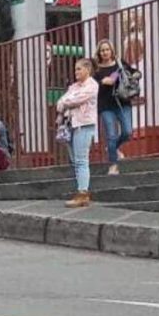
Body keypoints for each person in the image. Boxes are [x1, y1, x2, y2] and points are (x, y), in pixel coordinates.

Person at [57, 58, 100, 207]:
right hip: (71, 125)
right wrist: (66, 101)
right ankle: (80, 189)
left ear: (87, 70)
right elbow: (60, 103)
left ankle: (83, 193)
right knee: (75, 160)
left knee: (81, 160)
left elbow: (75, 100)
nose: (76, 72)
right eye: (75, 69)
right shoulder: (74, 86)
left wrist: (67, 101)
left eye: (79, 69)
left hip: (84, 124)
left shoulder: (92, 85)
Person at [93, 40, 139, 175]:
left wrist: (133, 75)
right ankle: (113, 165)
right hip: (106, 105)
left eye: (107, 49)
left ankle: (113, 148)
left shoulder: (120, 63)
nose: (105, 52)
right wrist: (102, 81)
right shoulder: (96, 69)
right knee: (111, 135)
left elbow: (134, 72)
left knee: (127, 132)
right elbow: (92, 84)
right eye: (102, 50)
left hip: (123, 102)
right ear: (99, 53)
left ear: (112, 51)